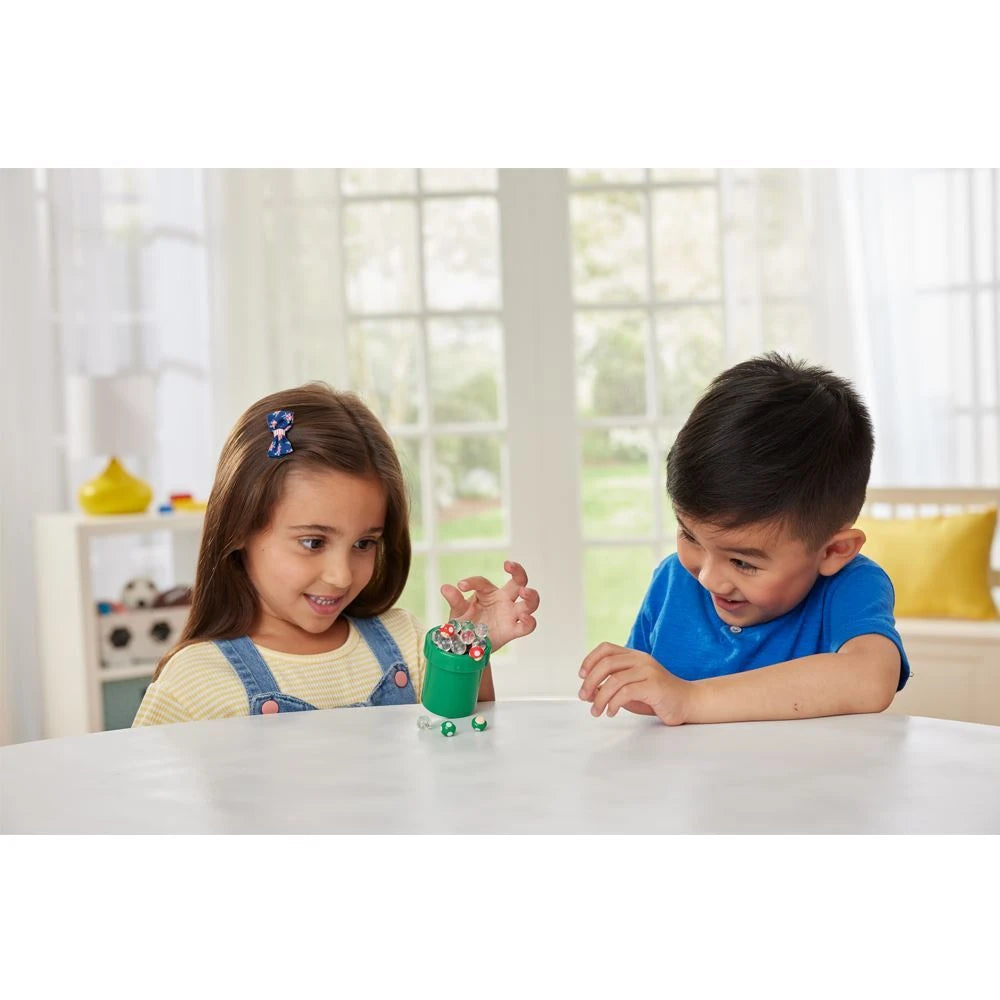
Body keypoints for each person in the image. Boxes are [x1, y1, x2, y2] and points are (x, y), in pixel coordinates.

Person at [133, 383, 538, 726]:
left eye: (364, 544)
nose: (342, 576)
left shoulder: (407, 643)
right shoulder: (195, 684)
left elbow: (467, 751)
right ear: (240, 527)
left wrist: (468, 648)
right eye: (313, 542)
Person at [578, 352, 910, 726]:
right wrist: (634, 686)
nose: (708, 578)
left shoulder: (849, 586)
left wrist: (692, 699)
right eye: (689, 535)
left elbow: (868, 681)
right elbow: (653, 700)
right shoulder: (674, 580)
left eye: (743, 562)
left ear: (833, 551)